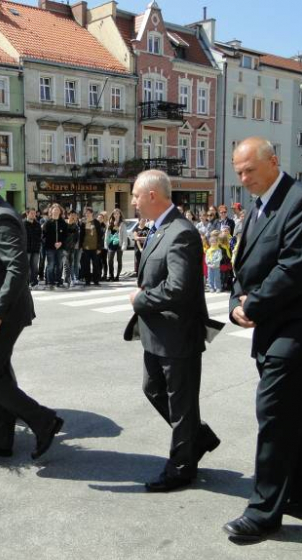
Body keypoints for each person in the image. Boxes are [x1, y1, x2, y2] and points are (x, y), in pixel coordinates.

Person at [225, 137, 302, 543]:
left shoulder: (301, 201)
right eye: (238, 171)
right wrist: (237, 299)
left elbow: (294, 267)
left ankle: (263, 512)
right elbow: (245, 264)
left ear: (274, 161)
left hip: (298, 330)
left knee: (273, 416)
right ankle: (301, 496)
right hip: (273, 329)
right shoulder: (259, 207)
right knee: (294, 417)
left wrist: (252, 306)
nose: (244, 178)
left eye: (250, 170)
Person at [0, 161, 63, 459]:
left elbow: (18, 270)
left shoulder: (2, 216)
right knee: (0, 374)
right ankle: (2, 438)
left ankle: (44, 420)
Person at [125, 169, 220, 492]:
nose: (133, 201)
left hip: (177, 335)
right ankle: (199, 437)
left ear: (152, 195)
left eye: (136, 195)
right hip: (158, 333)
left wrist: (141, 299)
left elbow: (178, 288)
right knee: (153, 390)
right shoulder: (159, 228)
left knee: (181, 406)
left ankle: (181, 468)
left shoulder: (181, 232)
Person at [42, 203, 67, 290]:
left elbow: (66, 236)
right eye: (54, 209)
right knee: (51, 265)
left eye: (58, 210)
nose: (56, 211)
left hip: (60, 247)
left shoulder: (63, 223)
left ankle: (59, 281)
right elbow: (44, 236)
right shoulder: (47, 223)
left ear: (60, 212)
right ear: (51, 211)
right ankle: (50, 282)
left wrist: (61, 243)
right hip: (50, 248)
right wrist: (53, 243)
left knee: (60, 265)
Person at [80, 207, 103, 286]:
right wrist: (81, 246)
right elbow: (81, 235)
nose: (87, 214)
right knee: (86, 265)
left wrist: (99, 247)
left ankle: (96, 280)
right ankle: (87, 281)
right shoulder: (83, 223)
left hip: (95, 248)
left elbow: (100, 235)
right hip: (86, 247)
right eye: (86, 213)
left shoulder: (96, 222)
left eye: (89, 213)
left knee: (96, 265)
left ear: (92, 213)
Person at [106, 208, 128, 281]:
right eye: (115, 213)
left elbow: (125, 235)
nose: (116, 215)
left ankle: (117, 276)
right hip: (111, 244)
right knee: (110, 260)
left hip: (119, 244)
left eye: (117, 213)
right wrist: (106, 243)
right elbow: (107, 234)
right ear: (113, 215)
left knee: (119, 260)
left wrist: (124, 246)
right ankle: (111, 276)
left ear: (120, 214)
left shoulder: (122, 224)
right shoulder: (110, 223)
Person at [24, 208, 42, 288]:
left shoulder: (37, 224)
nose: (33, 215)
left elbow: (40, 236)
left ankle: (34, 282)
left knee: (34, 266)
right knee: (26, 267)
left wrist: (39, 244)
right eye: (31, 213)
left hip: (35, 249)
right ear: (27, 214)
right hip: (26, 249)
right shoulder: (23, 224)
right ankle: (26, 283)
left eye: (34, 213)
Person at [63, 211, 81, 287]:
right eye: (72, 215)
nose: (73, 217)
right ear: (68, 215)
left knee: (71, 263)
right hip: (64, 248)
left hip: (72, 248)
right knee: (66, 264)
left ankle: (70, 279)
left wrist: (73, 244)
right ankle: (66, 280)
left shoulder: (75, 226)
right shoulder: (64, 225)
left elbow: (76, 238)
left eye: (74, 215)